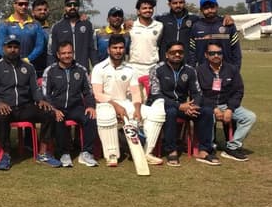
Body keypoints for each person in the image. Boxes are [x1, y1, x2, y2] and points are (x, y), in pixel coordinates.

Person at [0, 35, 61, 170]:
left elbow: (35, 89)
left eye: (15, 47)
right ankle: (5, 154)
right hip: (6, 107)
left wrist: (40, 100)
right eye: (9, 47)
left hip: (25, 107)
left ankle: (43, 153)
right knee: (2, 115)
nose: (12, 50)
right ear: (4, 48)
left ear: (19, 49)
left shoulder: (28, 67)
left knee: (49, 113)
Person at [92, 35, 165, 167]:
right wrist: (116, 106)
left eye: (121, 48)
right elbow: (97, 94)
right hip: (105, 104)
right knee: (107, 114)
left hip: (125, 102)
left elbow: (136, 93)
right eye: (115, 48)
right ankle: (112, 154)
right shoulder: (99, 68)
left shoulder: (130, 69)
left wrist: (137, 109)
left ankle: (147, 152)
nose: (118, 51)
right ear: (108, 50)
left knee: (156, 113)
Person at [149, 41, 217, 166]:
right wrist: (179, 106)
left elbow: (197, 92)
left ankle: (204, 150)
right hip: (164, 106)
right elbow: (156, 95)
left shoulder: (190, 70)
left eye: (180, 52)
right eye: (173, 52)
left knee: (207, 111)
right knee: (171, 112)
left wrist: (193, 106)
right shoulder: (157, 69)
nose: (177, 54)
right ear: (166, 54)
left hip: (185, 107)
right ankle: (171, 150)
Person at [42, 41, 99, 167]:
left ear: (73, 53)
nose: (67, 56)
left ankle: (87, 153)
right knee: (58, 119)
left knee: (90, 117)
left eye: (69, 53)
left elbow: (88, 92)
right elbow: (45, 94)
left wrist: (90, 106)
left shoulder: (81, 70)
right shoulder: (50, 71)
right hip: (58, 107)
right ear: (58, 55)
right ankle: (63, 153)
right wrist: (53, 109)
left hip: (75, 107)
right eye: (63, 53)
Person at [197, 42, 256, 162]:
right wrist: (214, 108)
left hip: (226, 105)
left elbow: (238, 91)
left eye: (219, 53)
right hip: (207, 106)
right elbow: (198, 94)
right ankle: (209, 148)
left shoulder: (232, 69)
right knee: (208, 115)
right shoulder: (199, 70)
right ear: (206, 55)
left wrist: (230, 109)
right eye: (212, 53)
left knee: (250, 117)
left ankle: (232, 147)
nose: (216, 55)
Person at [188, 0, 242, 69]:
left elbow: (236, 52)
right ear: (201, 10)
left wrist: (235, 71)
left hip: (225, 71)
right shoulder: (196, 27)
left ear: (217, 7)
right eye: (206, 8)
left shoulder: (228, 24)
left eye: (212, 7)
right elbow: (191, 53)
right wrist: (193, 71)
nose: (210, 10)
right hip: (203, 72)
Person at [0, 0, 46, 66]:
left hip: (31, 65)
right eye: (20, 4)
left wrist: (28, 59)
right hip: (10, 65)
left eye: (26, 4)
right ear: (14, 5)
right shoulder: (5, 24)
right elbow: (0, 47)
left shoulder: (36, 24)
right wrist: (11, 59)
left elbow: (39, 46)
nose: (23, 7)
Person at [48, 0, 97, 70]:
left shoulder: (88, 25)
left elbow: (93, 50)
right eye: (69, 5)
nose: (72, 7)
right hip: (62, 71)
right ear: (65, 7)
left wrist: (96, 70)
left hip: (83, 71)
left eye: (75, 5)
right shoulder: (57, 27)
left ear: (79, 7)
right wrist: (52, 71)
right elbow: (51, 52)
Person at [127, 0, 163, 79]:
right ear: (138, 11)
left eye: (150, 8)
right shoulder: (130, 26)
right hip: (134, 67)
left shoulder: (159, 26)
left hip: (153, 66)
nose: (148, 10)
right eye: (144, 8)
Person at [31, 0, 52, 77]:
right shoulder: (27, 29)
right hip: (30, 69)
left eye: (45, 9)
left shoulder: (52, 30)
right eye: (39, 9)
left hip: (47, 71)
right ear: (33, 12)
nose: (43, 12)